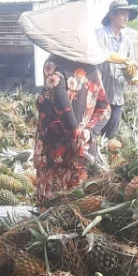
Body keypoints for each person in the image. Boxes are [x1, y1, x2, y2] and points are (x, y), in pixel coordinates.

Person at [34, 54, 109, 205]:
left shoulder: (54, 64)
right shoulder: (93, 69)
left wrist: (78, 136)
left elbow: (63, 107)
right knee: (77, 209)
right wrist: (88, 131)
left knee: (50, 210)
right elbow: (105, 108)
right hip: (83, 150)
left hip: (55, 150)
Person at [94, 0, 138, 139]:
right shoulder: (99, 35)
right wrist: (124, 59)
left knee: (110, 137)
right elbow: (102, 54)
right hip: (98, 98)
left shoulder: (127, 42)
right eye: (122, 14)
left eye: (128, 15)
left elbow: (129, 68)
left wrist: (132, 76)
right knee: (94, 136)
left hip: (117, 98)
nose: (126, 18)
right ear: (112, 15)